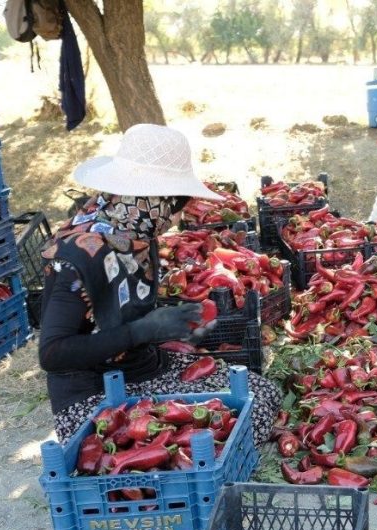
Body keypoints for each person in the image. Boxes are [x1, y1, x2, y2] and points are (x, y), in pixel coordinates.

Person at [38, 123, 281, 445]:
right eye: (175, 204)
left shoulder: (135, 235)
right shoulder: (78, 256)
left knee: (262, 393)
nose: (177, 217)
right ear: (147, 198)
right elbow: (52, 354)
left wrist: (173, 327)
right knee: (230, 424)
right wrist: (142, 331)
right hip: (94, 396)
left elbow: (124, 314)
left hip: (142, 369)